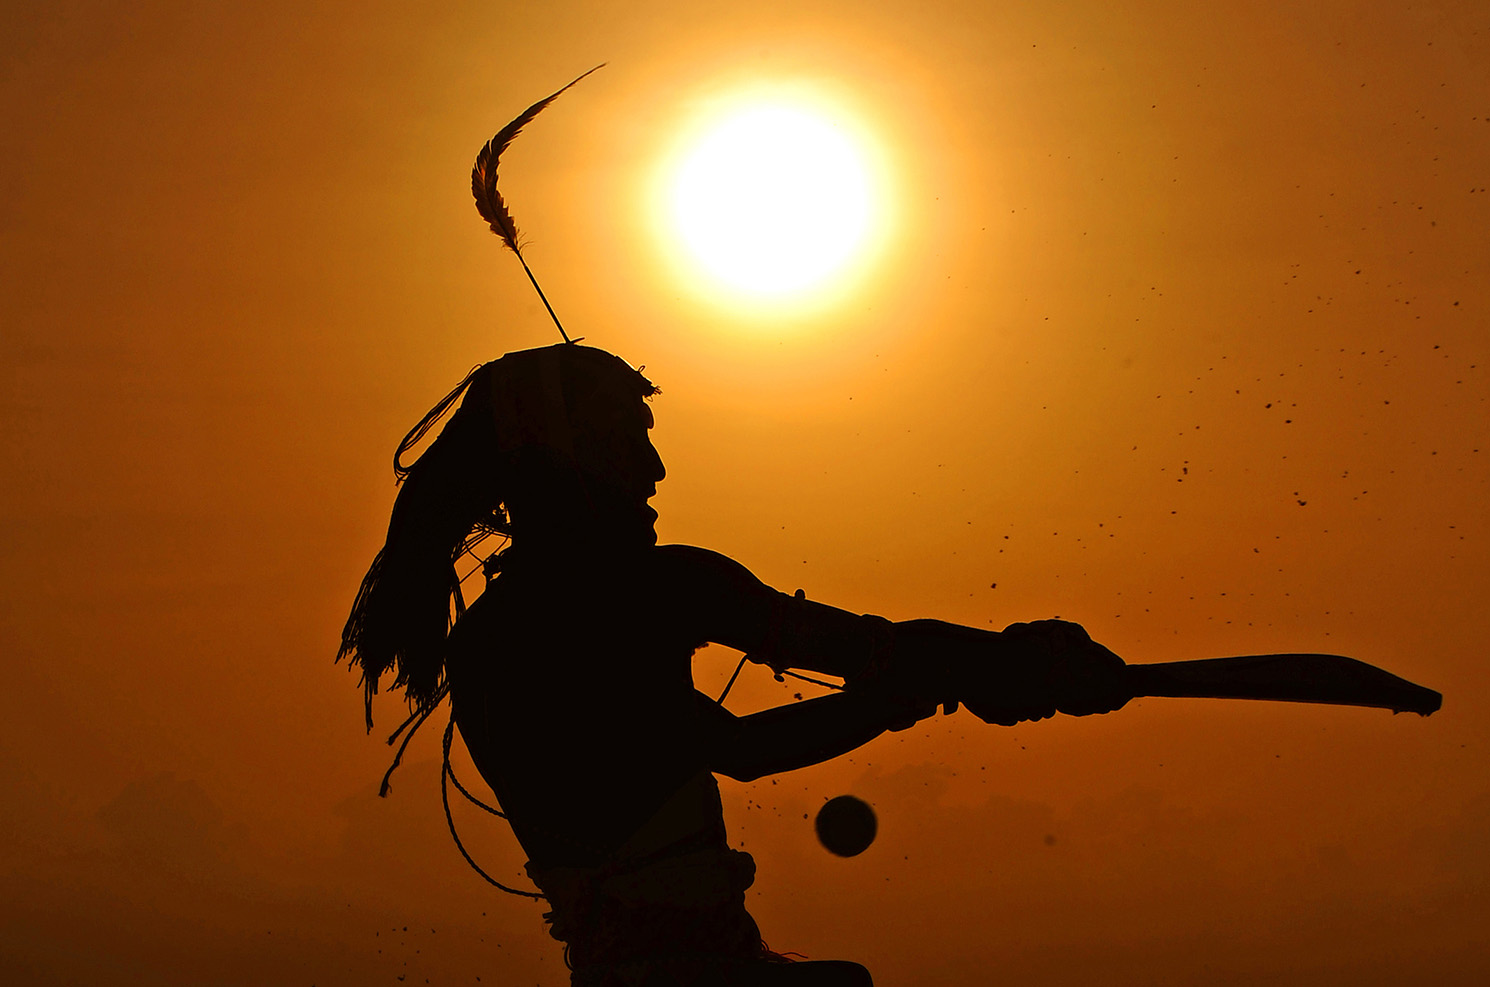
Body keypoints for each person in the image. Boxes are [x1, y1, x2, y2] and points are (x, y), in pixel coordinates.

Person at [339, 343, 1129, 987]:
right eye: (626, 437)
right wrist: (997, 666)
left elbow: (861, 656)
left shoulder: (486, 639)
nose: (654, 468)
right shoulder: (650, 592)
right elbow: (752, 740)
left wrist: (991, 663)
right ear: (566, 456)